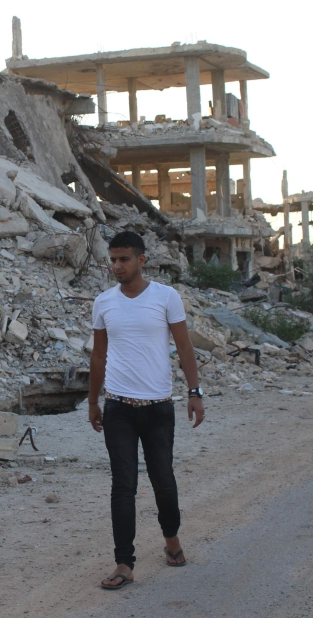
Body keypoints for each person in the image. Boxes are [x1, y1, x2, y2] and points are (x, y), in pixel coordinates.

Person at [88, 230, 205, 590]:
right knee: (123, 485)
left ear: (141, 260)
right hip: (119, 407)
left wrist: (194, 391)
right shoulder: (104, 302)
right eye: (112, 259)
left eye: (124, 259)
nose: (117, 266)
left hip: (158, 407)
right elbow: (98, 355)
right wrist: (93, 401)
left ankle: (171, 540)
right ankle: (124, 563)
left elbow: (184, 347)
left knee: (162, 480)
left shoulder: (166, 297)